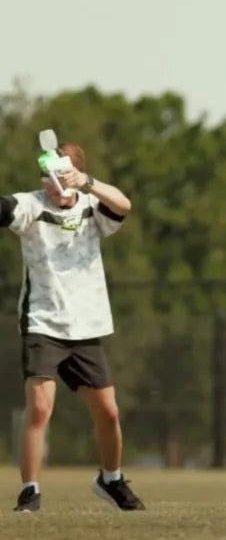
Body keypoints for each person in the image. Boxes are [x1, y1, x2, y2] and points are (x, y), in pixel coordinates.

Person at [2, 141, 144, 512]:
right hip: (43, 322)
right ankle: (30, 491)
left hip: (86, 326)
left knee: (109, 413)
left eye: (59, 175)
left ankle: (110, 480)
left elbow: (124, 205)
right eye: (46, 176)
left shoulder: (92, 207)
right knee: (40, 409)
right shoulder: (33, 205)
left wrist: (88, 182)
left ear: (74, 174)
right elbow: (7, 208)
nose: (51, 184)